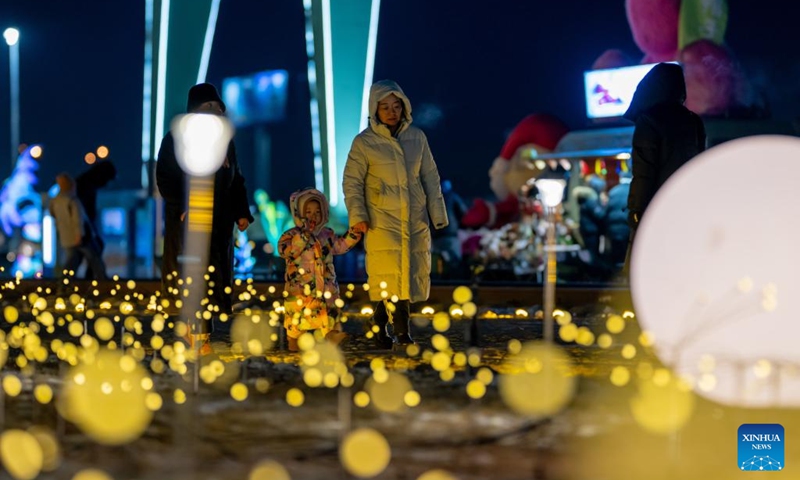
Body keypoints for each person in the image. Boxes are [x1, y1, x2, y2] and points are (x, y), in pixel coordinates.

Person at [342, 79, 449, 350]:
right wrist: (358, 216)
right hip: (381, 219)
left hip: (413, 217)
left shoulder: (417, 138)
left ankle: (392, 329)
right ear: (374, 109)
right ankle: (393, 330)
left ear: (404, 107)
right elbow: (352, 182)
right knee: (384, 276)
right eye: (385, 106)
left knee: (407, 276)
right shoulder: (364, 142)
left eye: (396, 106)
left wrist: (438, 215)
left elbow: (430, 177)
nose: (391, 112)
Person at [156, 83, 254, 342]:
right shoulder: (176, 139)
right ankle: (195, 335)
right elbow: (165, 177)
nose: (213, 111)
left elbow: (236, 181)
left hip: (219, 223)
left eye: (216, 106)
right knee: (192, 277)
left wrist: (241, 212)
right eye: (206, 106)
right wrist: (184, 205)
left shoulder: (226, 144)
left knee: (212, 277)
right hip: (188, 222)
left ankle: (201, 335)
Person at [623, 63, 706, 266]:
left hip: (656, 211)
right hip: (686, 209)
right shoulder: (693, 121)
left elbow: (644, 174)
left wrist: (636, 213)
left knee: (645, 268)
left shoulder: (649, 120)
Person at [278, 188, 362, 351]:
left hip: (326, 289)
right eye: (308, 211)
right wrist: (304, 236)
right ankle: (293, 346)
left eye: (317, 211)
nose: (313, 215)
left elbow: (340, 246)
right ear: (299, 213)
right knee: (297, 325)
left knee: (329, 317)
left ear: (324, 213)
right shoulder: (290, 235)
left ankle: (333, 338)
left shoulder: (327, 235)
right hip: (300, 291)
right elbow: (286, 251)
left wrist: (354, 234)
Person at [49, 173, 107, 282]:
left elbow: (54, 216)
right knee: (94, 257)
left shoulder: (54, 201)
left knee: (72, 259)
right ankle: (102, 279)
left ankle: (65, 281)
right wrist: (79, 234)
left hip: (66, 237)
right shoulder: (73, 201)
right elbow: (78, 220)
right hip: (81, 236)